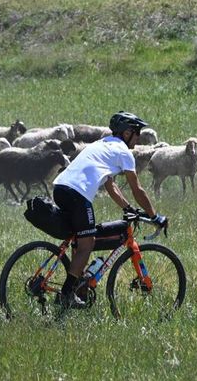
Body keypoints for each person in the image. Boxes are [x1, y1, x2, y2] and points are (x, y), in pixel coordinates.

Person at [51, 111, 164, 308]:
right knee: (88, 242)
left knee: (81, 239)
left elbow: (110, 185)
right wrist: (155, 216)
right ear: (127, 133)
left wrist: (129, 208)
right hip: (77, 194)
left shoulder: (102, 145)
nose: (138, 138)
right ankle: (67, 294)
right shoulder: (123, 152)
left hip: (60, 188)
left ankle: (80, 287)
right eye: (137, 133)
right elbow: (137, 189)